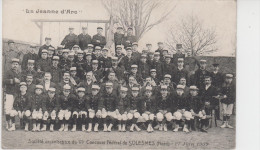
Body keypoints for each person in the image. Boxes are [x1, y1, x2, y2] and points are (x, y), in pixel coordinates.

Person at [3, 58, 21, 130]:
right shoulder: (8, 72)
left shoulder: (19, 73)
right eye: (13, 64)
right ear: (11, 65)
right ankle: (7, 123)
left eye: (16, 64)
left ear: (18, 66)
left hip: (16, 93)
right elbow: (3, 81)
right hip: (9, 93)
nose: (15, 66)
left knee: (13, 109)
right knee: (8, 108)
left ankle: (13, 124)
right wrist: (13, 80)